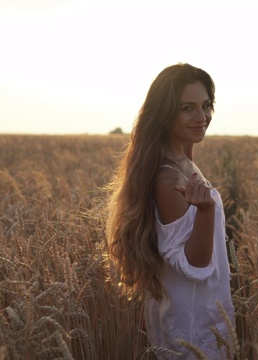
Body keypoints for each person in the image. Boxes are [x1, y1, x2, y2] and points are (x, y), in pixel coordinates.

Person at [106, 63, 235, 359]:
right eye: (187, 108)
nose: (202, 117)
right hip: (192, 326)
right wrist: (205, 211)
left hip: (201, 314)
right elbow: (195, 265)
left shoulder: (183, 162)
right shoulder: (169, 179)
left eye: (206, 106)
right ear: (165, 114)